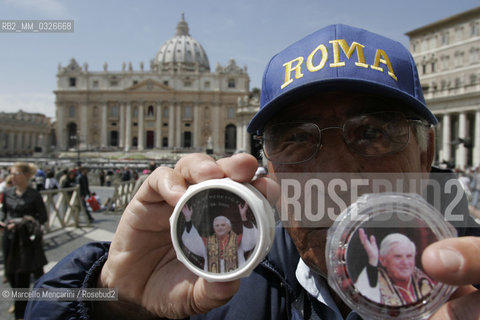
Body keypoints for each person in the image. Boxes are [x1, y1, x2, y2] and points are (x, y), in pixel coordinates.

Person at [26, 24, 480, 319]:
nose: (337, 173)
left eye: (374, 133)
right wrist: (115, 304)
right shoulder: (211, 282)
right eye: (297, 138)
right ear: (266, 165)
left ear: (426, 155)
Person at [2, 162, 48, 320]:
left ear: (27, 175)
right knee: (9, 273)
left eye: (16, 173)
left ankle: (20, 313)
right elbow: (4, 213)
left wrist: (22, 221)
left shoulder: (34, 195)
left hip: (26, 241)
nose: (12, 176)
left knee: (21, 276)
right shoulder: (7, 192)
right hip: (9, 238)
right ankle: (21, 300)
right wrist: (3, 222)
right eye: (11, 173)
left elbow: (43, 217)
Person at [354, 229, 434, 306]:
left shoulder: (423, 281)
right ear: (383, 260)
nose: (405, 262)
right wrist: (373, 260)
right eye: (398, 256)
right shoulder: (374, 281)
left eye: (409, 256)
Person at [181, 202, 257, 273]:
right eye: (217, 225)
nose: (220, 228)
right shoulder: (206, 242)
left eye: (223, 225)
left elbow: (250, 242)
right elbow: (192, 241)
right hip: (212, 281)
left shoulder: (239, 240)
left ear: (229, 227)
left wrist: (243, 217)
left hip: (239, 278)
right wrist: (188, 219)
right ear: (214, 228)